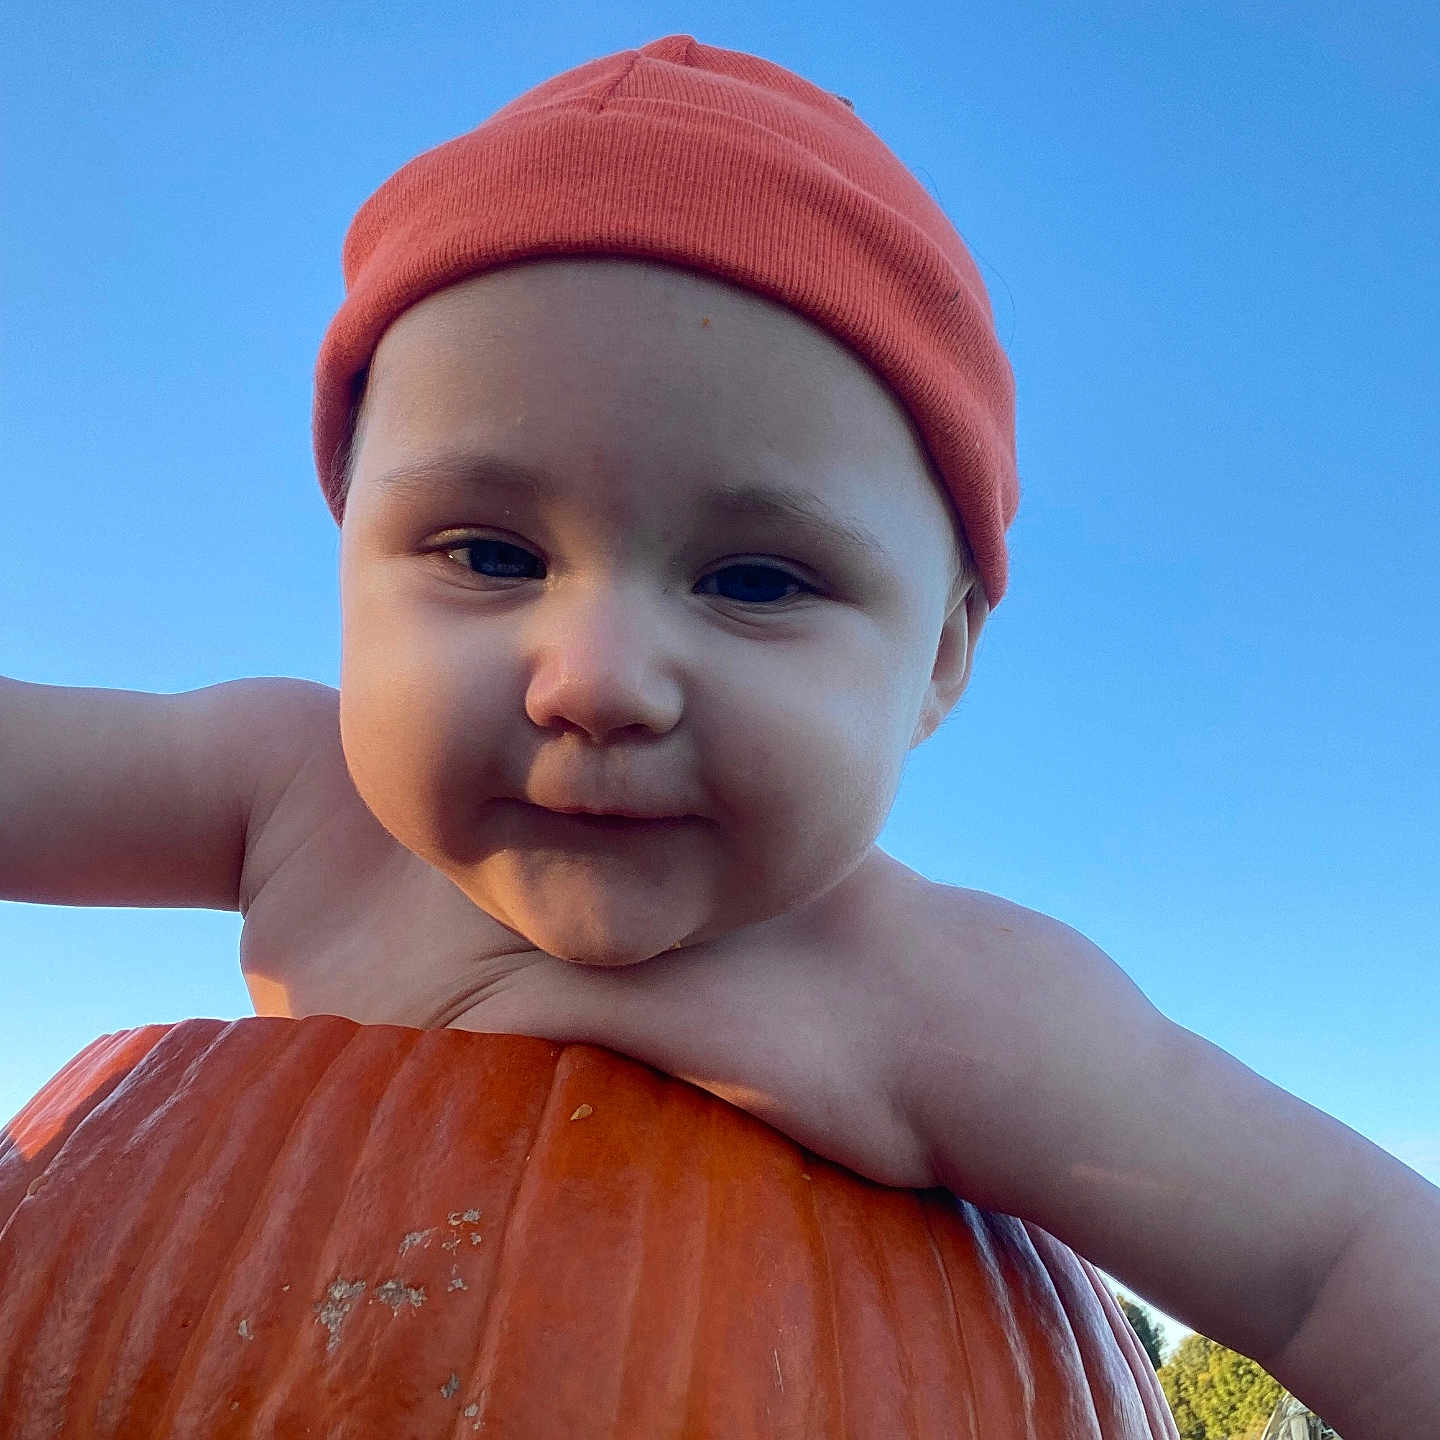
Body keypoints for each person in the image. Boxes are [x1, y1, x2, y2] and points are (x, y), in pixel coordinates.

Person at [1, 36, 1434, 1439]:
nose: (599, 680)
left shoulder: (942, 1001)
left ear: (935, 660)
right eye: (489, 555)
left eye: (753, 580)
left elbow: (1340, 1265)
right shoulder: (289, 795)